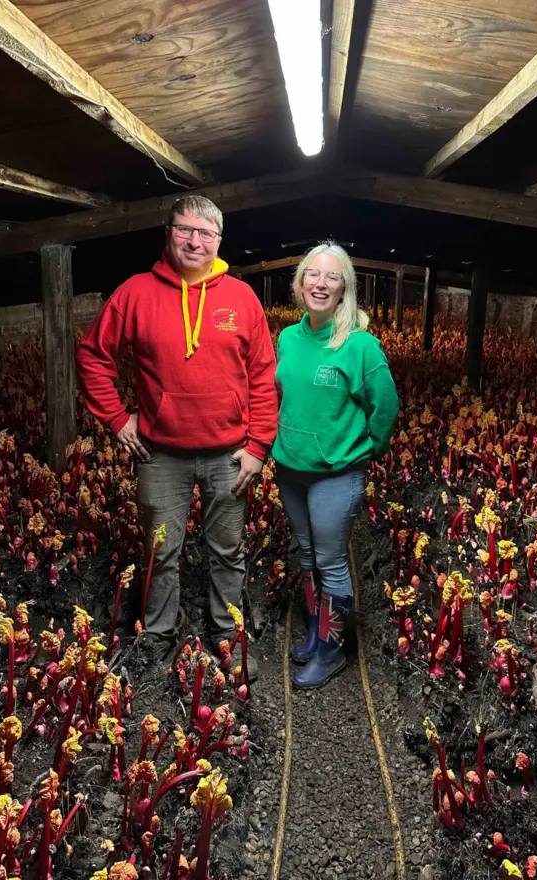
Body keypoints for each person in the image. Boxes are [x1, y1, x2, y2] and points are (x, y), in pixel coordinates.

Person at [76, 195, 278, 678]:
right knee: (160, 548)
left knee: (227, 549)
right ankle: (159, 636)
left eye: (205, 233)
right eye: (185, 230)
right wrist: (117, 418)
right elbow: (92, 357)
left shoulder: (241, 298)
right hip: (160, 453)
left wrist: (257, 448)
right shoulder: (136, 293)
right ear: (168, 233)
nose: (194, 241)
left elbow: (263, 376)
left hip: (228, 454)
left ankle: (228, 638)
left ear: (218, 242)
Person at [272, 243, 399, 689]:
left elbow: (385, 407)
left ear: (345, 286)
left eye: (331, 277)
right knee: (307, 554)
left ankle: (331, 651)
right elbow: (281, 395)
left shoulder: (359, 345)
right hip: (290, 467)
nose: (320, 284)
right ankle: (314, 631)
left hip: (335, 473)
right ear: (300, 282)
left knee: (329, 560)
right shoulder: (288, 338)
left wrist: (363, 450)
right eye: (312, 275)